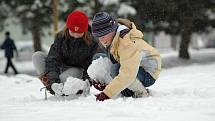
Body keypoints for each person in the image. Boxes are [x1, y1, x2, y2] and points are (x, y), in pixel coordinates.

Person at [91, 12, 161, 101]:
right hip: (132, 67)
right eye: (99, 37)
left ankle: (141, 92)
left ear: (111, 30)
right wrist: (105, 81)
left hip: (148, 72)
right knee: (99, 58)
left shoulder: (126, 42)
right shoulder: (112, 37)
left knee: (115, 69)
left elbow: (128, 73)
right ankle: (123, 89)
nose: (102, 40)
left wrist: (106, 94)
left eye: (104, 36)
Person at [32, 10, 98, 96]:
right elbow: (52, 59)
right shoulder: (60, 37)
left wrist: (87, 81)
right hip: (60, 68)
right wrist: (53, 81)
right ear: (68, 28)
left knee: (71, 73)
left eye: (79, 32)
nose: (75, 35)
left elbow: (91, 65)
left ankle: (66, 88)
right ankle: (51, 85)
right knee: (37, 56)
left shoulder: (92, 42)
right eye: (72, 32)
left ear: (85, 31)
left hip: (77, 71)